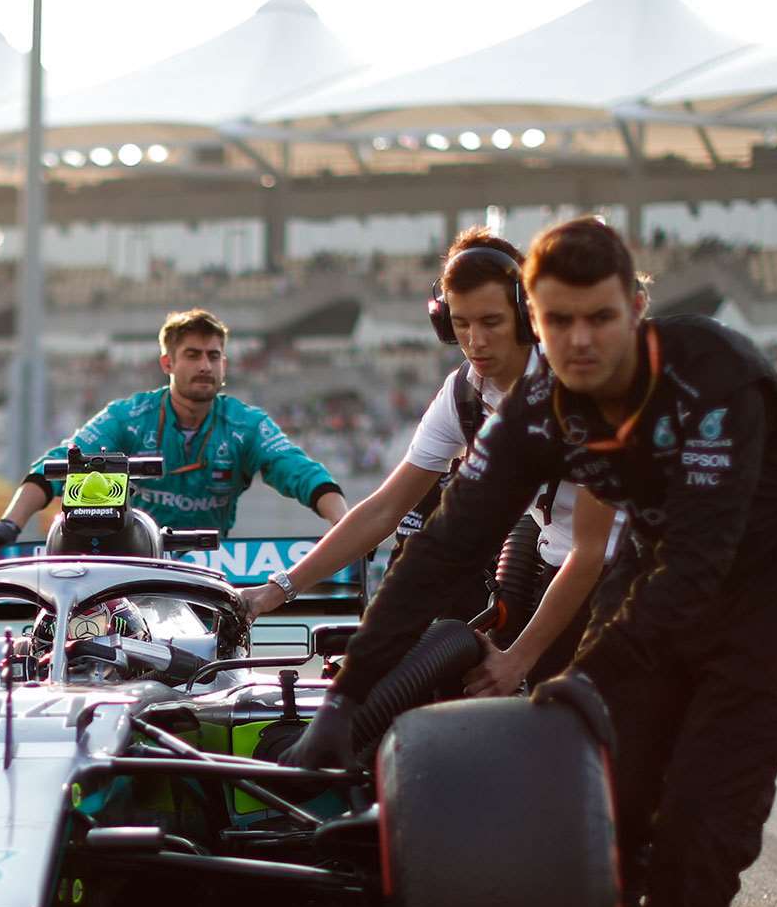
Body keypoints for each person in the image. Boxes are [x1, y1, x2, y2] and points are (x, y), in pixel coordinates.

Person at [296, 216, 777, 907]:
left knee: (702, 832)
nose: (579, 341)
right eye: (558, 321)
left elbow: (700, 569)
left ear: (637, 308)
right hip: (654, 573)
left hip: (762, 606)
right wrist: (347, 702)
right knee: (605, 816)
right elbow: (444, 544)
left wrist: (594, 673)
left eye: (599, 317)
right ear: (533, 319)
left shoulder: (714, 377)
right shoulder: (538, 405)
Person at [238, 229, 617, 694]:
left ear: (527, 315)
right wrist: (277, 589)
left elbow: (593, 551)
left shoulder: (585, 387)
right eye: (461, 324)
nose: (475, 341)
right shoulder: (464, 393)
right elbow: (383, 508)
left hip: (632, 571)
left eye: (492, 322)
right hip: (559, 563)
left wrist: (519, 659)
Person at [0, 309, 348, 558]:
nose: (205, 365)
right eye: (192, 355)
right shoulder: (128, 417)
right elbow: (60, 464)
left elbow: (297, 469)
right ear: (167, 363)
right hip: (134, 571)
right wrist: (10, 524)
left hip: (211, 577)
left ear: (225, 364)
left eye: (213, 356)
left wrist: (345, 525)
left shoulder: (246, 425)